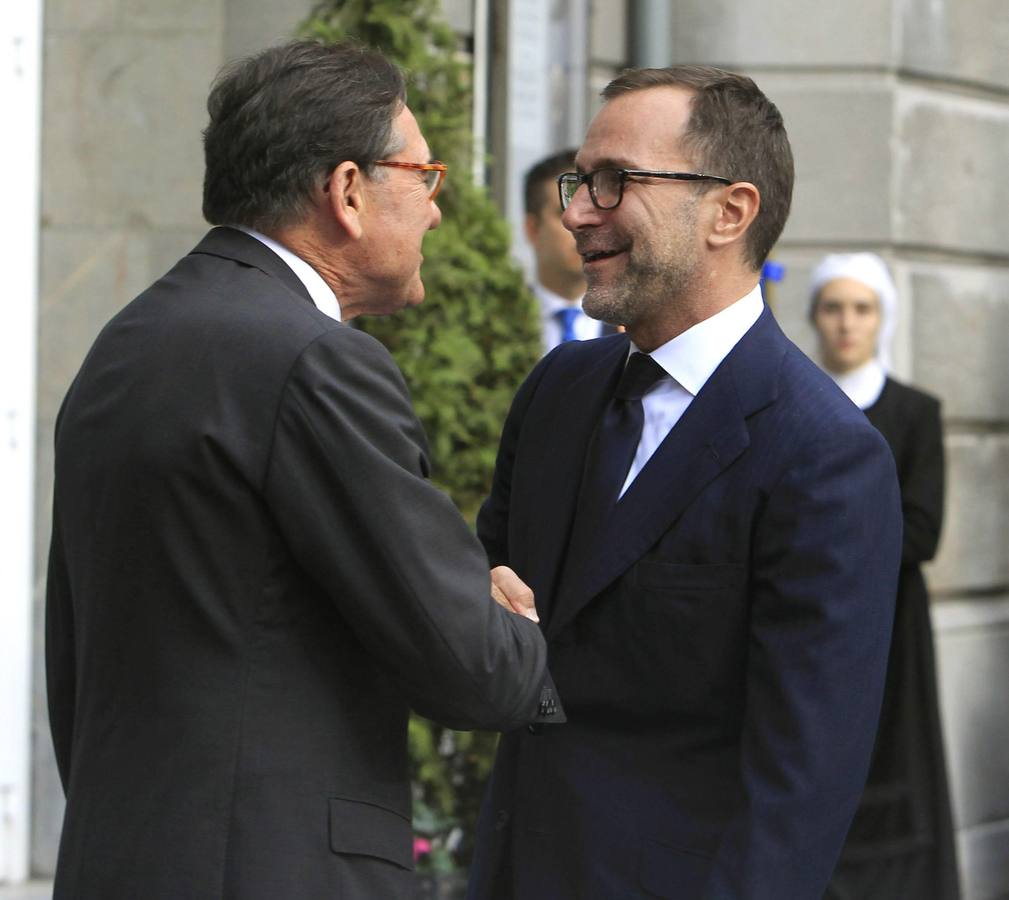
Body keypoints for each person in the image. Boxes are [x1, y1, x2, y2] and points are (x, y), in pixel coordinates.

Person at [45, 40, 561, 900]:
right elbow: (469, 664)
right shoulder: (314, 360)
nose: (438, 211)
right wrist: (506, 620)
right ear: (348, 191)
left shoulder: (126, 342)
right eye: (423, 176)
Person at [467, 65, 903, 900]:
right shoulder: (557, 391)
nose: (575, 210)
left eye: (611, 182)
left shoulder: (822, 454)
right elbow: (489, 599)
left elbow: (798, 792)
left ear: (729, 211)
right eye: (576, 180)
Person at [810, 253, 960, 900]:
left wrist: (818, 535)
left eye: (861, 308)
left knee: (892, 762)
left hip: (889, 626)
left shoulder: (914, 412)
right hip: (808, 620)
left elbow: (920, 532)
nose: (847, 323)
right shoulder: (798, 404)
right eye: (833, 308)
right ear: (814, 318)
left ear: (882, 319)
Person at [524, 149, 610, 350]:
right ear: (532, 229)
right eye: (564, 212)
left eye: (593, 211)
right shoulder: (495, 321)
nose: (581, 225)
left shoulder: (630, 328)